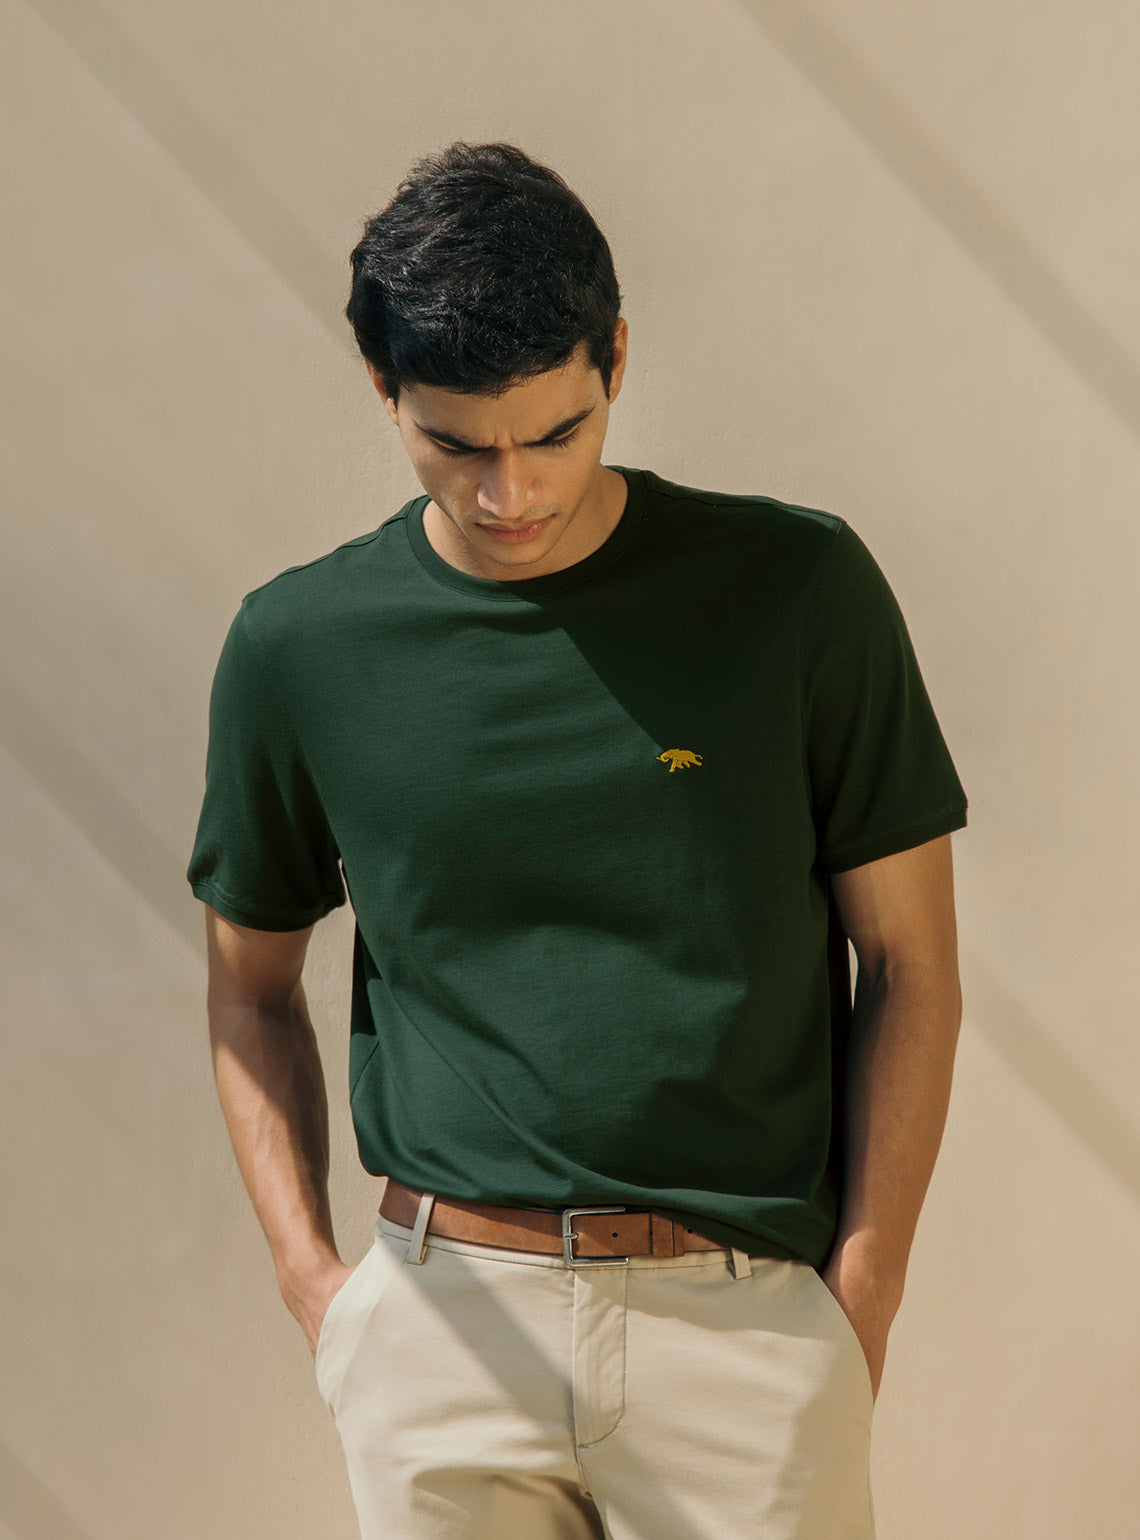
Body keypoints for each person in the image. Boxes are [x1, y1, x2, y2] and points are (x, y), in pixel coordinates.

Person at [186, 140, 968, 1540]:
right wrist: (323, 1294)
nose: (512, 493)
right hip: (443, 1324)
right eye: (457, 445)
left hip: (747, 1327)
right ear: (381, 386)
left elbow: (911, 965)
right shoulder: (300, 649)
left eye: (555, 434)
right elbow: (247, 990)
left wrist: (860, 1302)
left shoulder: (796, 594)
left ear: (617, 356)